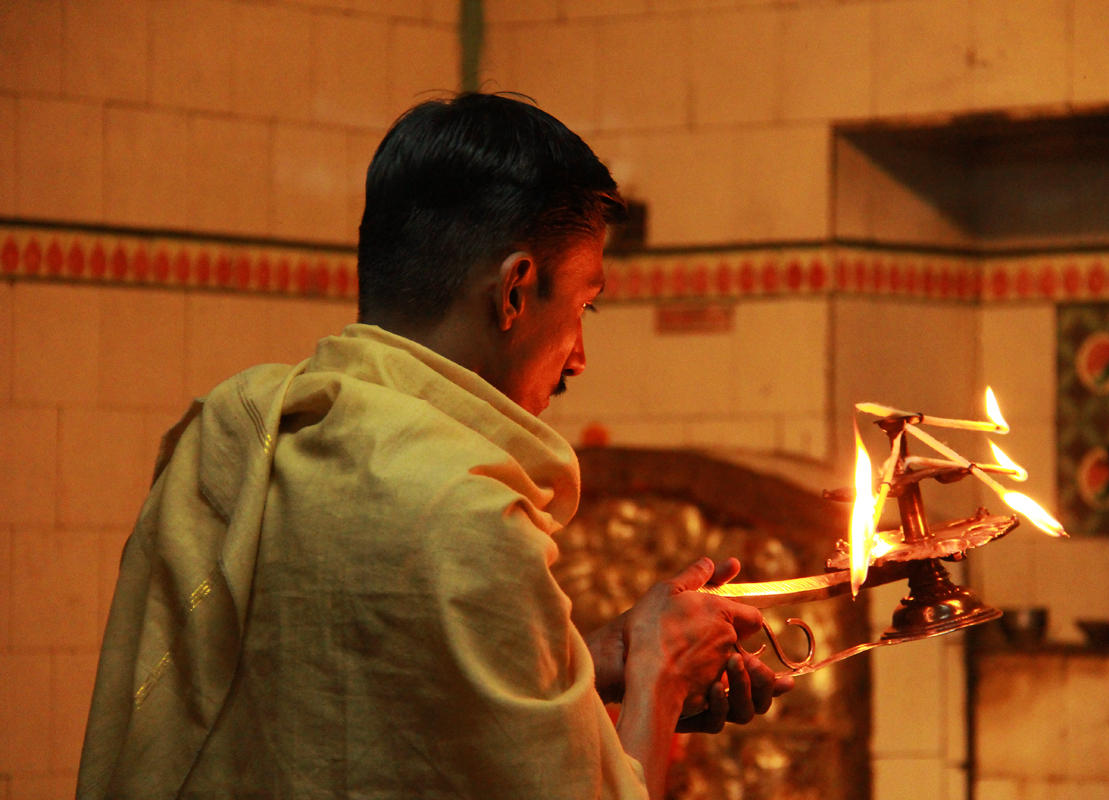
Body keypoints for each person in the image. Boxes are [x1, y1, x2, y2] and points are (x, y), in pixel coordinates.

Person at [77, 92, 792, 800]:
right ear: (514, 291)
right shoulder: (465, 512)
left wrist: (590, 661)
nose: (579, 359)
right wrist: (658, 680)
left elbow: (354, 699)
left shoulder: (233, 432)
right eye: (583, 308)